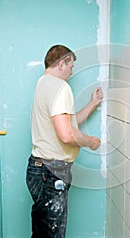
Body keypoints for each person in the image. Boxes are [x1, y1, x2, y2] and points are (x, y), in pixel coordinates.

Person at [26, 44, 102, 238]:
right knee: (51, 235)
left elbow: (68, 123)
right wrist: (91, 142)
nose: (71, 71)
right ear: (62, 63)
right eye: (71, 66)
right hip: (51, 172)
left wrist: (93, 103)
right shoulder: (60, 88)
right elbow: (67, 135)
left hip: (39, 169)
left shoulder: (43, 83)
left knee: (43, 233)